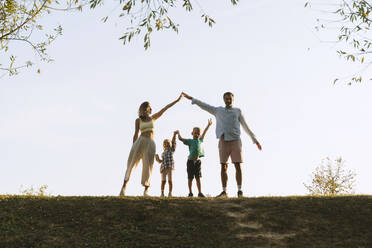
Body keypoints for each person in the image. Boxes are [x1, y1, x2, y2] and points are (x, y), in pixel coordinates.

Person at [182, 92, 262, 198]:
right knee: (223, 166)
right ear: (224, 100)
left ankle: (239, 191)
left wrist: (254, 139)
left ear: (233, 99)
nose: (228, 100)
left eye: (230, 98)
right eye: (226, 98)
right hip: (223, 140)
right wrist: (193, 99)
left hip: (235, 140)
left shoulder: (238, 111)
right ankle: (224, 191)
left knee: (238, 165)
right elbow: (205, 106)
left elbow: (245, 126)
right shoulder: (218, 111)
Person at [119, 94, 182, 196]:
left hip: (150, 143)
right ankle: (124, 187)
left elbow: (165, 108)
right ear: (144, 109)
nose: (150, 109)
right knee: (131, 163)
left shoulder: (153, 118)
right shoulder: (138, 120)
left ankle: (146, 190)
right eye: (148, 107)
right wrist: (133, 146)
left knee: (148, 166)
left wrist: (177, 100)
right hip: (140, 141)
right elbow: (135, 134)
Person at [177, 119, 212, 197]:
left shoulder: (200, 140)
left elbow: (204, 132)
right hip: (190, 161)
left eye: (198, 133)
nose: (196, 134)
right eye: (195, 133)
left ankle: (199, 192)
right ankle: (190, 192)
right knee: (190, 178)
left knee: (198, 177)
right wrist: (178, 133)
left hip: (198, 162)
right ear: (192, 133)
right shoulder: (190, 141)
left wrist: (208, 125)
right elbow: (181, 139)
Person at [155, 131, 178, 197]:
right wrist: (157, 158)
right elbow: (160, 161)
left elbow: (173, 142)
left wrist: (174, 135)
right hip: (163, 167)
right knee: (163, 181)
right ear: (163, 145)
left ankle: (170, 193)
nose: (166, 144)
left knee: (170, 181)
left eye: (168, 143)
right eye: (165, 143)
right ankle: (162, 193)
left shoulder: (171, 150)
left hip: (169, 167)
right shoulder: (163, 153)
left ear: (170, 144)